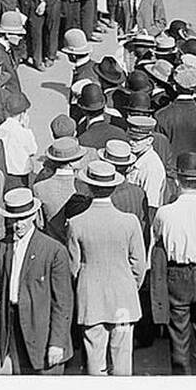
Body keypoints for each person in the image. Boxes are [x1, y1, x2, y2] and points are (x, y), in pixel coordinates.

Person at [0, 187, 74, 375]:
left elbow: (63, 303)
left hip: (43, 332)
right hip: (14, 327)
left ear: (33, 215)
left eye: (22, 218)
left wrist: (57, 342)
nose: (18, 224)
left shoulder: (54, 250)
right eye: (13, 219)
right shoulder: (1, 247)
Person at [66, 160, 148, 376]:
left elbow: (73, 267)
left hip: (91, 299)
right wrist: (129, 285)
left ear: (90, 187)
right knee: (122, 362)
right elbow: (138, 265)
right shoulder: (130, 222)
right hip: (123, 299)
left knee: (94, 361)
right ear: (113, 187)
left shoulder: (76, 222)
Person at [151, 153, 196, 375]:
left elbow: (157, 239)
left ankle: (181, 381)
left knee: (179, 337)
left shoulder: (164, 213)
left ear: (175, 180)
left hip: (176, 275)